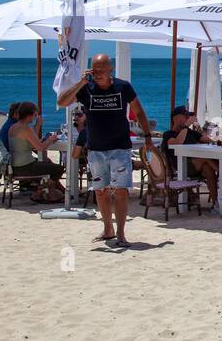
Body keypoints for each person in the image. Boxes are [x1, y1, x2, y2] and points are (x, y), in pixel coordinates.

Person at [59, 53, 153, 248]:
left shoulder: (122, 86)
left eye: (103, 69)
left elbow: (139, 111)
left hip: (119, 147)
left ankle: (120, 233)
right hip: (96, 149)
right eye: (95, 69)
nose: (99, 73)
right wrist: (80, 82)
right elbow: (62, 102)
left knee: (120, 191)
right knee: (100, 192)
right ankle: (107, 228)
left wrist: (147, 136)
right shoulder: (87, 89)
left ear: (110, 69)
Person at [163, 106, 219, 204]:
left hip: (198, 164)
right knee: (204, 158)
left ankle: (216, 203)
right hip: (182, 166)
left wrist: (201, 128)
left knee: (208, 169)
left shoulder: (190, 133)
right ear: (176, 118)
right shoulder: (168, 134)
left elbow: (208, 139)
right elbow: (177, 142)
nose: (187, 118)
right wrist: (185, 126)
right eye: (185, 116)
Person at [7, 102, 65, 195]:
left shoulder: (13, 127)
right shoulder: (26, 129)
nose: (35, 117)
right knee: (59, 169)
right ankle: (41, 191)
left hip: (14, 166)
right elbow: (40, 148)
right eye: (35, 115)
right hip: (25, 167)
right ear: (31, 115)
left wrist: (37, 126)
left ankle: (50, 190)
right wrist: (51, 139)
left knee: (48, 163)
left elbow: (33, 143)